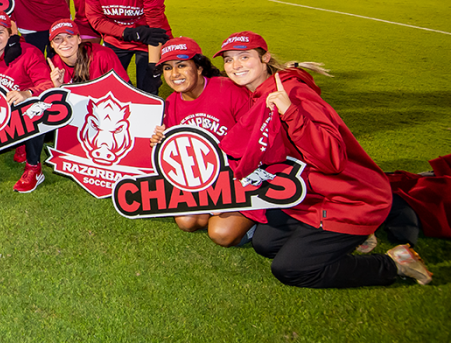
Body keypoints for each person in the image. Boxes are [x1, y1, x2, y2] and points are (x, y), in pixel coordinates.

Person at [216, 31, 432, 287]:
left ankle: (395, 264)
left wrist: (290, 112)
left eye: (244, 57)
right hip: (309, 193)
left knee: (290, 269)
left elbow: (331, 160)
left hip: (349, 197)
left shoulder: (292, 94)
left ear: (265, 58)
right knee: (265, 243)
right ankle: (351, 238)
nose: (235, 65)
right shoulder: (260, 93)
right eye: (229, 60)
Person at [148, 37, 254, 247]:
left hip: (241, 176)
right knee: (187, 221)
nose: (174, 74)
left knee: (221, 234)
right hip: (205, 178)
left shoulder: (229, 90)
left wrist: (234, 185)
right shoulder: (171, 103)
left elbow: (254, 141)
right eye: (168, 68)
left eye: (182, 65)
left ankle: (258, 220)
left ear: (199, 68)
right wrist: (159, 141)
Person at [0, 13, 53, 192]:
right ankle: (20, 143)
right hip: (1, 113)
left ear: (10, 34)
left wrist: (27, 93)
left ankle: (34, 168)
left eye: (0, 32)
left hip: (33, 113)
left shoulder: (28, 52)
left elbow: (48, 85)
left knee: (33, 109)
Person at [44, 19, 128, 86]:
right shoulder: (54, 67)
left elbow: (126, 88)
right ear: (52, 45)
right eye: (57, 39)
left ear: (79, 39)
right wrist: (58, 88)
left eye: (69, 37)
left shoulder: (102, 55)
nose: (64, 42)